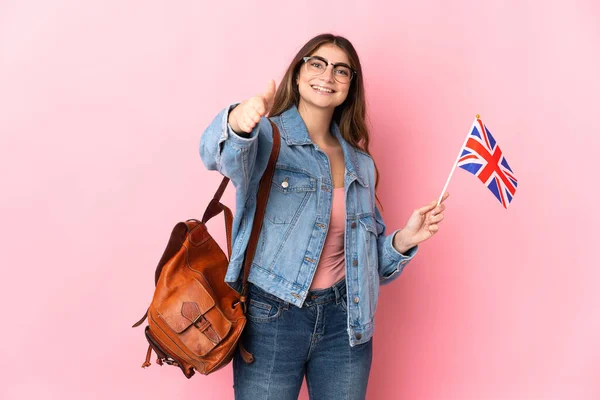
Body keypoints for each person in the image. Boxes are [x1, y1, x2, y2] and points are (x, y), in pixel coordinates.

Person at [200, 33, 448, 400]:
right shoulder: (267, 136)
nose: (327, 75)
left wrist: (404, 240)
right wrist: (239, 121)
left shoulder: (360, 165)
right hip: (271, 318)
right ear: (298, 75)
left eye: (341, 70)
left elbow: (366, 263)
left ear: (350, 86)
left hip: (345, 324)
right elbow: (216, 155)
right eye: (317, 63)